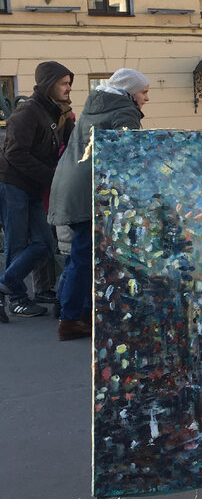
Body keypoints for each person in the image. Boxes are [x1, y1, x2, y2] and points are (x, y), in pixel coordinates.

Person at [49, 69, 150, 341]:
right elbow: (131, 156)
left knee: (84, 255)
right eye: (144, 92)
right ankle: (69, 319)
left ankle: (81, 314)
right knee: (84, 257)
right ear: (130, 92)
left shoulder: (95, 107)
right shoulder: (124, 113)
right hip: (89, 190)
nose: (146, 98)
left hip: (71, 184)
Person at [0, 61, 74, 320]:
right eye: (63, 84)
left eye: (69, 83)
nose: (68, 89)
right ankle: (17, 300)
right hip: (12, 184)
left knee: (44, 244)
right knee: (16, 243)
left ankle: (5, 284)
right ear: (48, 84)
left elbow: (72, 143)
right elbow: (14, 153)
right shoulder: (27, 112)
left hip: (32, 186)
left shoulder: (57, 111)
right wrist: (52, 177)